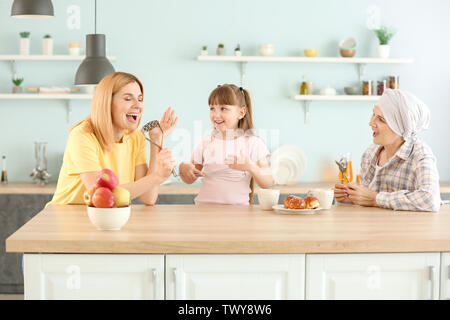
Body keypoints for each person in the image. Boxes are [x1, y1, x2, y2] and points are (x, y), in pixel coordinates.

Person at [46, 72, 177, 207]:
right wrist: (158, 177)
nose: (138, 105)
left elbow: (148, 197)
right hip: (65, 217)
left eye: (140, 98)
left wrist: (156, 140)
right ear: (107, 103)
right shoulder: (82, 135)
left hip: (107, 219)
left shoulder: (136, 138)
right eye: (128, 99)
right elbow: (100, 195)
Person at [334, 89, 441, 212]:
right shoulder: (370, 153)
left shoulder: (420, 155)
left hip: (409, 229)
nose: (371, 123)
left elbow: (430, 200)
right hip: (375, 228)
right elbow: (368, 199)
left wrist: (376, 199)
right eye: (373, 114)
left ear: (400, 127)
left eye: (381, 119)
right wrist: (352, 197)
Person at [179, 84, 273, 205]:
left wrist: (250, 167)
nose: (216, 115)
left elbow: (268, 182)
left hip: (238, 214)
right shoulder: (205, 142)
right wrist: (183, 169)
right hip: (204, 211)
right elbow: (189, 179)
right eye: (212, 108)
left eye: (223, 108)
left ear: (241, 112)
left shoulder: (253, 143)